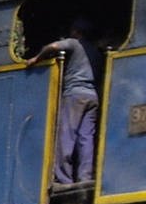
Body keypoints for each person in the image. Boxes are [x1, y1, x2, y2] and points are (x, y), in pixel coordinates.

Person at [29, 18, 99, 185]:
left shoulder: (74, 43)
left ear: (76, 32)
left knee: (67, 135)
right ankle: (85, 177)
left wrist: (36, 58)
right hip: (92, 96)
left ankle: (63, 178)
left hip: (74, 95)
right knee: (86, 138)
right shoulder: (95, 51)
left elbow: (53, 47)